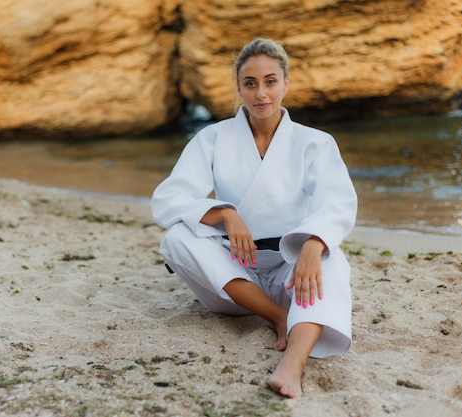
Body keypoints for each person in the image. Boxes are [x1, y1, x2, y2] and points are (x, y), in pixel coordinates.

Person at [151, 38, 358, 398]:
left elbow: (337, 202)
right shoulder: (212, 139)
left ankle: (292, 363)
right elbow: (169, 198)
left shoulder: (315, 143)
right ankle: (278, 317)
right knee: (176, 239)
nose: (261, 93)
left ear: (286, 83)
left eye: (270, 81)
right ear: (239, 88)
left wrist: (313, 243)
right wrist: (223, 212)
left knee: (333, 259)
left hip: (289, 272)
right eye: (251, 83)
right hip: (233, 282)